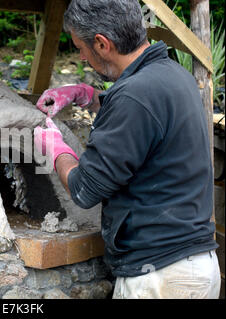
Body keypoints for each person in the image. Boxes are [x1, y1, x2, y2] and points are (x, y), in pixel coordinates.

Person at [33, 0, 220, 299]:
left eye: (81, 48)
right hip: (190, 267)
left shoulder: (135, 96)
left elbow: (85, 189)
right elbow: (144, 126)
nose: (81, 58)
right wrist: (89, 96)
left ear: (102, 43)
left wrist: (56, 150)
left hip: (161, 278)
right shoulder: (172, 76)